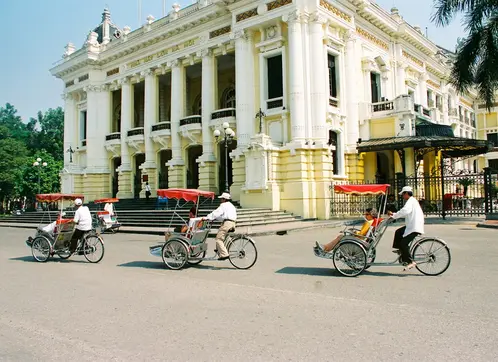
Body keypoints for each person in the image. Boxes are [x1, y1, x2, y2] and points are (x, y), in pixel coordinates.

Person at [388, 186, 424, 271]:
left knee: (403, 243)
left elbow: (405, 211)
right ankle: (402, 251)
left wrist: (394, 215)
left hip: (414, 227)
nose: (402, 196)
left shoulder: (411, 201)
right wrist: (394, 215)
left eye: (403, 194)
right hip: (411, 225)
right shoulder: (411, 201)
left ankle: (411, 261)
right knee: (398, 232)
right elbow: (405, 212)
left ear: (407, 193)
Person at [314, 208, 379, 255]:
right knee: (340, 237)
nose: (365, 216)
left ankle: (325, 248)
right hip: (363, 239)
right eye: (365, 214)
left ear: (372, 215)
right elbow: (363, 233)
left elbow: (361, 234)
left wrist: (354, 232)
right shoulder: (373, 222)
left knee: (340, 237)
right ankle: (326, 248)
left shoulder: (368, 223)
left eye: (367, 214)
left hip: (360, 239)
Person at [203, 192, 237, 260]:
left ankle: (224, 254)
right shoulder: (231, 205)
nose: (220, 200)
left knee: (218, 239)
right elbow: (223, 216)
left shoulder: (223, 205)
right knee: (220, 234)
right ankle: (218, 249)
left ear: (224, 199)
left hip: (227, 223)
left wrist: (207, 217)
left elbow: (216, 212)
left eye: (221, 199)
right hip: (233, 223)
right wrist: (216, 218)